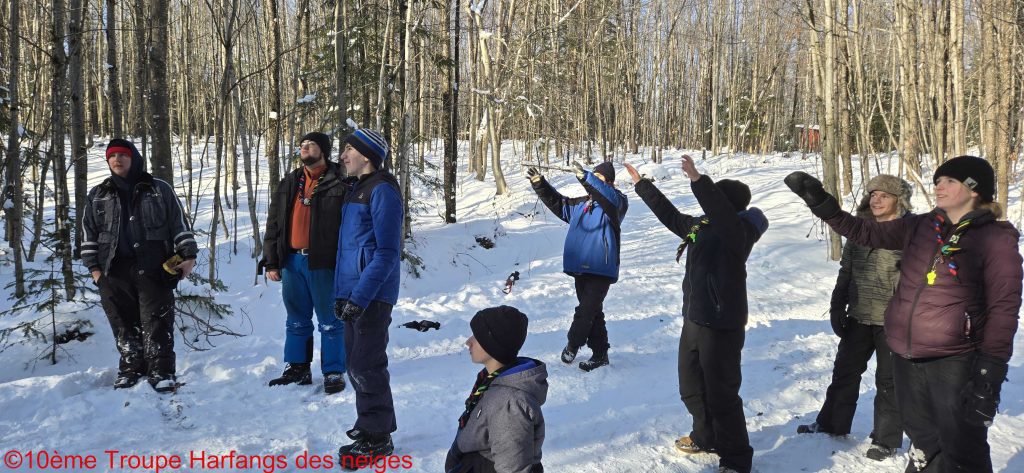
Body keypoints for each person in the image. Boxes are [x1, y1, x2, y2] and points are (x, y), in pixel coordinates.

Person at [785, 155, 1023, 472]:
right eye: (937, 180)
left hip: (955, 357)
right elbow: (862, 231)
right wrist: (821, 203)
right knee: (923, 439)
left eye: (949, 181)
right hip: (907, 353)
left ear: (974, 190)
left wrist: (989, 371)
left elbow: (1004, 309)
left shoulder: (994, 238)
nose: (939, 186)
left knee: (962, 444)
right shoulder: (922, 226)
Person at [624, 156, 768, 473]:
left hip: (721, 326)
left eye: (716, 199)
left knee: (722, 396)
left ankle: (736, 459)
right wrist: (642, 186)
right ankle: (706, 436)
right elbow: (670, 216)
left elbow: (723, 214)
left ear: (725, 204)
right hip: (693, 320)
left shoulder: (739, 232)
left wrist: (699, 181)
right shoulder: (701, 227)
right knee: (691, 388)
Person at [796, 174, 911, 461]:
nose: (876, 200)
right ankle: (831, 423)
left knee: (889, 380)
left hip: (893, 322)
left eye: (884, 195)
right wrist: (837, 307)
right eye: (873, 194)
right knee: (844, 372)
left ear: (899, 201)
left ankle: (885, 440)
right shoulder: (859, 230)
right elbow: (846, 271)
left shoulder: (909, 233)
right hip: (859, 316)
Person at [81, 139, 197, 393]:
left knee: (157, 320)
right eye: (112, 156)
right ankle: (131, 368)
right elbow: (88, 234)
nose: (117, 159)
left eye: (123, 155)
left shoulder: (158, 189)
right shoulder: (98, 194)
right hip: (113, 269)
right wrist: (96, 272)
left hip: (153, 265)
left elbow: (178, 224)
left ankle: (161, 370)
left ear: (133, 158)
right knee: (122, 322)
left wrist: (188, 255)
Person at [333, 128, 403, 467]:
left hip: (373, 294)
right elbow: (349, 250)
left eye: (349, 149)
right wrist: (342, 294)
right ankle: (372, 425)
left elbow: (387, 253)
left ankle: (378, 438)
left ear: (367, 155)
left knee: (366, 364)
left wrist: (359, 297)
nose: (342, 156)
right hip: (355, 292)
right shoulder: (356, 190)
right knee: (354, 363)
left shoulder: (382, 190)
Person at [260, 131, 349, 394]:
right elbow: (274, 223)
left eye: (310, 144)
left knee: (331, 319)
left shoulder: (340, 181)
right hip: (292, 261)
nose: (304, 148)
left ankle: (333, 370)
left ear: (324, 150)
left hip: (324, 262)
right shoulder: (290, 182)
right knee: (296, 318)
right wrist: (271, 261)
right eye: (302, 145)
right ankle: (297, 368)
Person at [527, 160, 628, 371]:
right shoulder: (581, 204)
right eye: (594, 177)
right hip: (581, 267)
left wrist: (586, 177)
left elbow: (607, 195)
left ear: (609, 182)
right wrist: (540, 184)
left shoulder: (616, 203)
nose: (594, 182)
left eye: (599, 178)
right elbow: (559, 204)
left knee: (585, 311)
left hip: (601, 268)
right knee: (593, 313)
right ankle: (600, 354)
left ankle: (573, 344)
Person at [445, 306, 547, 473]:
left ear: (493, 344)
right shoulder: (491, 379)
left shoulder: (510, 402)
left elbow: (513, 468)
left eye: (477, 336)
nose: (468, 342)